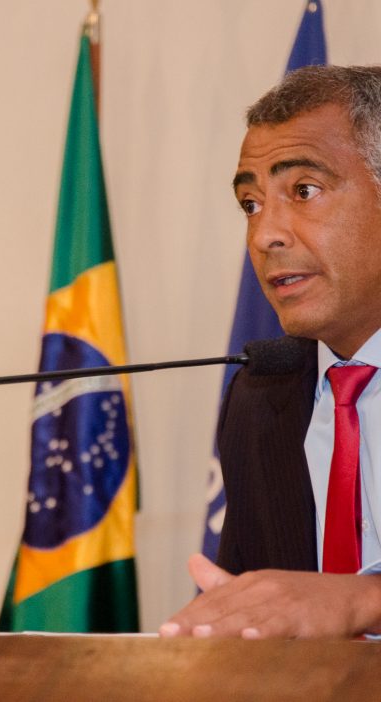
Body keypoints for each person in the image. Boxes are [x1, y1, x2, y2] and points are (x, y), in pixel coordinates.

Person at [159, 65, 381, 640]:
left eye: (304, 191)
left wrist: (364, 599)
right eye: (251, 204)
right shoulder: (262, 395)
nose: (264, 236)